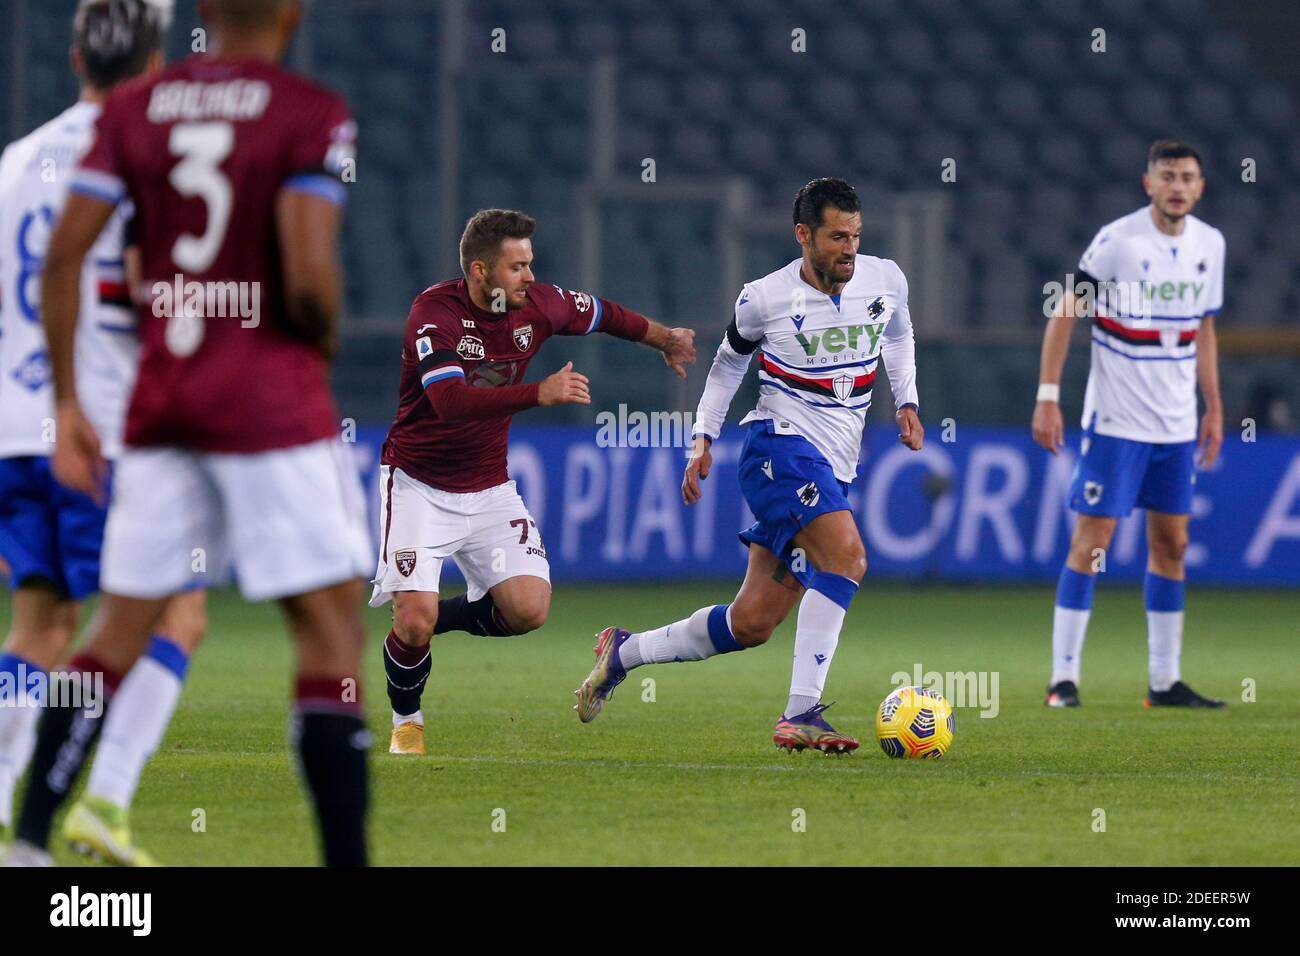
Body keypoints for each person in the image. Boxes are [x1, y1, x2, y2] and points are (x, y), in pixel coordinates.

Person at [5, 0, 372, 868]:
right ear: (291, 12)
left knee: (110, 630)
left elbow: (65, 256)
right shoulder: (309, 112)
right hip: (266, 401)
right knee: (328, 631)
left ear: (205, 12)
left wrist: (65, 402)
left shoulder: (135, 111)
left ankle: (27, 844)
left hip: (159, 405)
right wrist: (316, 330)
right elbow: (309, 271)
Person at [574, 178, 923, 753]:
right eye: (837, 237)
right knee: (849, 557)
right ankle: (802, 712)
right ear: (803, 235)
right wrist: (702, 437)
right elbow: (727, 365)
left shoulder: (886, 279)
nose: (849, 249)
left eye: (856, 236)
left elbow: (901, 333)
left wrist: (906, 399)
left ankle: (623, 652)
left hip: (833, 463)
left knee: (751, 622)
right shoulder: (764, 297)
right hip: (777, 448)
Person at [0, 0, 207, 867]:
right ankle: (101, 804)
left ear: (78, 52)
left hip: (15, 427)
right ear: (154, 58)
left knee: (41, 622)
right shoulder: (146, 156)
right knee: (177, 615)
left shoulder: (13, 162)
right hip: (104, 431)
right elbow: (153, 296)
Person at [372, 208, 697, 755]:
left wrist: (665, 340)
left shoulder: (538, 304)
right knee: (412, 620)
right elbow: (448, 403)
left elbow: (605, 314)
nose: (530, 276)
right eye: (517, 267)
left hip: (489, 488)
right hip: (418, 487)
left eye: (531, 263)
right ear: (480, 272)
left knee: (528, 610)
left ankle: (429, 617)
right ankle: (408, 720)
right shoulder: (434, 315)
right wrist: (538, 393)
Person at [1032, 139, 1226, 710]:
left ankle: (1164, 682)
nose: (1177, 186)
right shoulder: (1118, 242)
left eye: (1187, 177)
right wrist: (1048, 395)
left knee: (1173, 543)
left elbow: (1205, 330)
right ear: (1149, 184)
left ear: (1200, 186)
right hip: (1117, 421)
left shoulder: (1209, 245)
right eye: (1167, 176)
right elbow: (1066, 311)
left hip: (1175, 425)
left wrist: (1213, 405)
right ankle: (1062, 679)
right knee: (1095, 543)